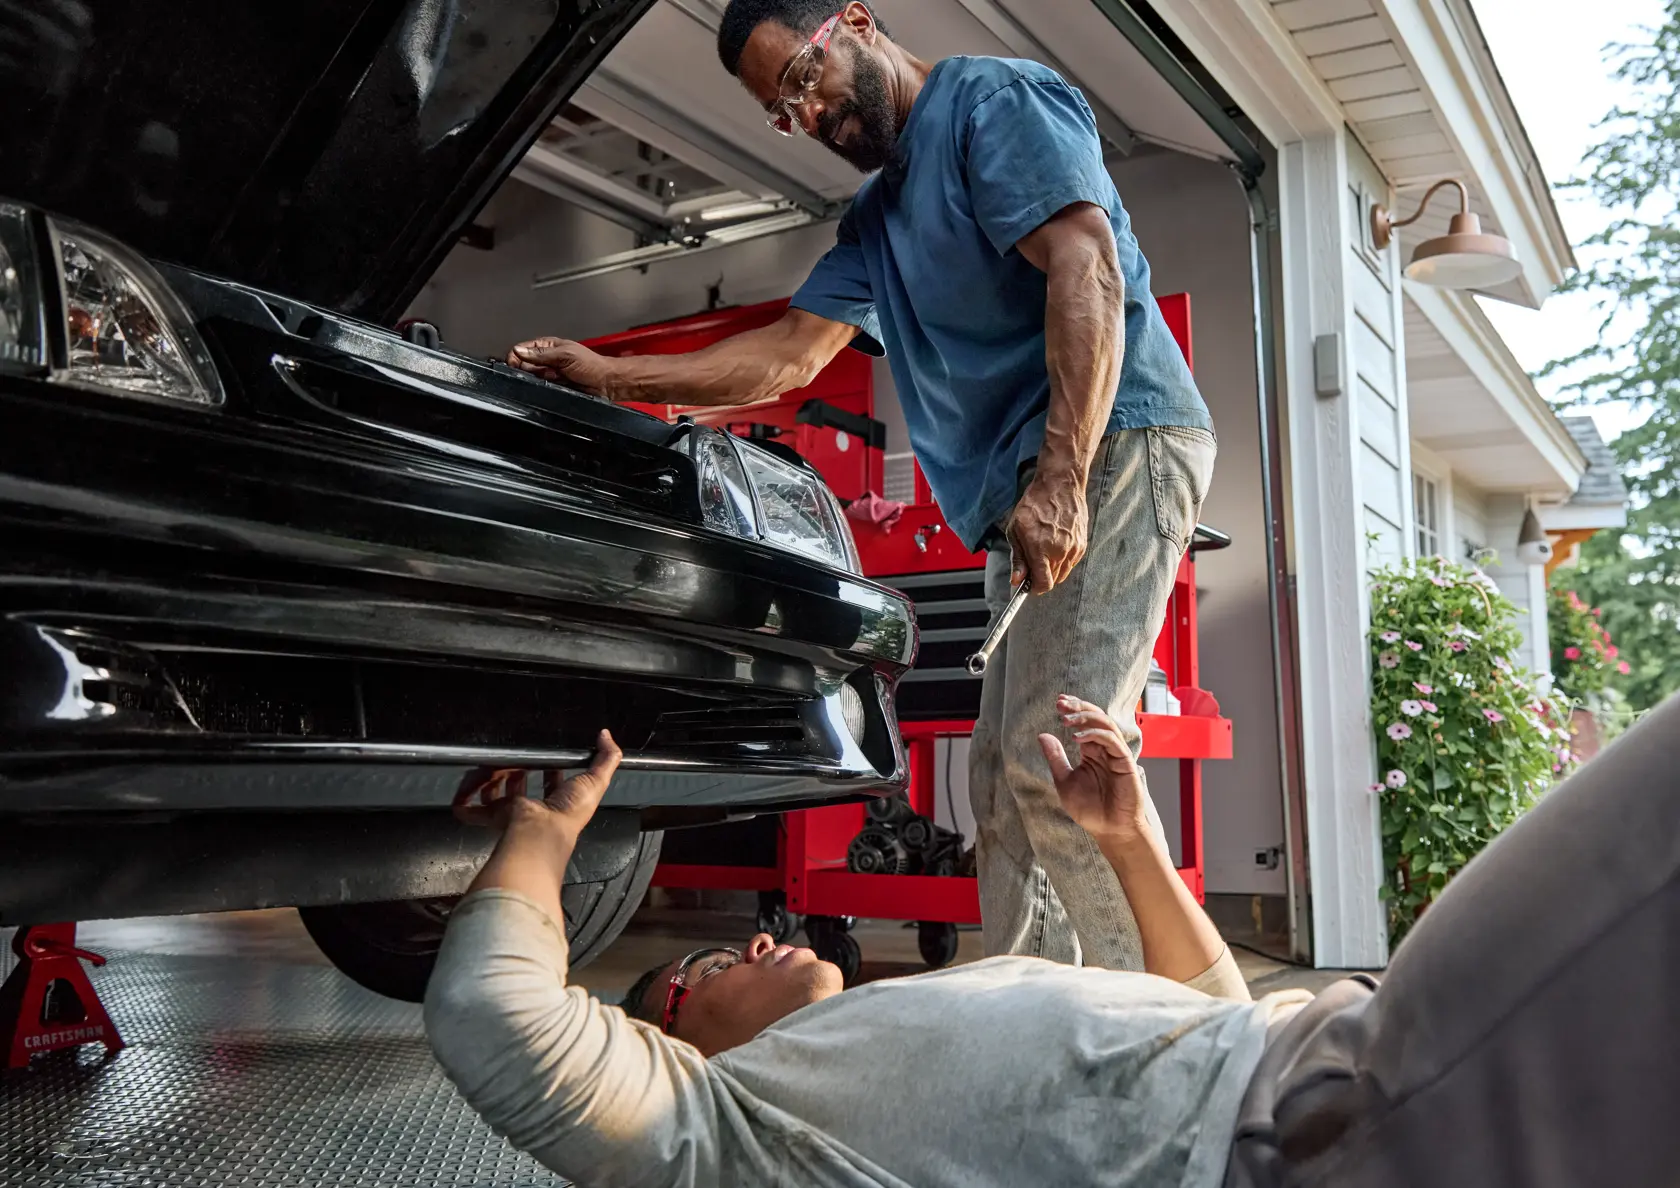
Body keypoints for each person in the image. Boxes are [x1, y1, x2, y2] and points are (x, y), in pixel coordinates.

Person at [503, 0, 1216, 971]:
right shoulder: (876, 218)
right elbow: (788, 358)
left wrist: (1063, 476)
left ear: (854, 22)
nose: (804, 115)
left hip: (1115, 442)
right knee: (1007, 783)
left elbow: (1085, 266)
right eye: (781, 111)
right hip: (1023, 491)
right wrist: (612, 375)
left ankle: (1174, 1041)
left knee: (1061, 769)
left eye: (801, 79)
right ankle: (1048, 1030)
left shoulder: (988, 101)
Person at [425, 691, 1680, 1187]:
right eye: (707, 970)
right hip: (1343, 1122)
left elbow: (1210, 1006)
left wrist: (1127, 841)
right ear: (671, 1041)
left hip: (1315, 1054)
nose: (753, 944)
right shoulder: (731, 1132)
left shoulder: (876, 1029)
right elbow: (498, 1018)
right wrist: (544, 831)